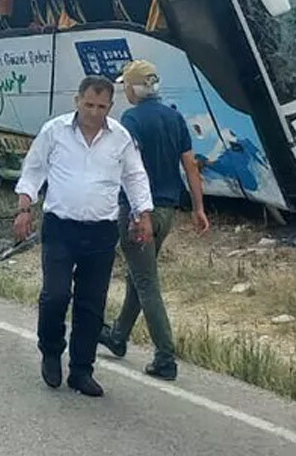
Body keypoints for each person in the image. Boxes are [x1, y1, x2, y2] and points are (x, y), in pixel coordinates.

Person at [14, 76, 153, 398]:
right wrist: (24, 207)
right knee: (55, 295)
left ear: (110, 107)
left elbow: (135, 176)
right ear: (77, 100)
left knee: (91, 305)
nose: (94, 112)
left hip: (101, 231)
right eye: (88, 104)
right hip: (60, 227)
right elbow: (33, 170)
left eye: (101, 106)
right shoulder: (55, 131)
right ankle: (51, 351)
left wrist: (142, 214)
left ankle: (81, 370)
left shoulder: (120, 137)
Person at [99, 60, 208, 382]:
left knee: (147, 282)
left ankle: (165, 356)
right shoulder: (174, 117)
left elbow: (122, 167)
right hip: (167, 212)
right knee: (139, 274)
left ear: (134, 88)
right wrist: (199, 207)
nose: (124, 91)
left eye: (125, 86)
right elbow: (190, 166)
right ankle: (118, 335)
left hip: (137, 212)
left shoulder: (131, 119)